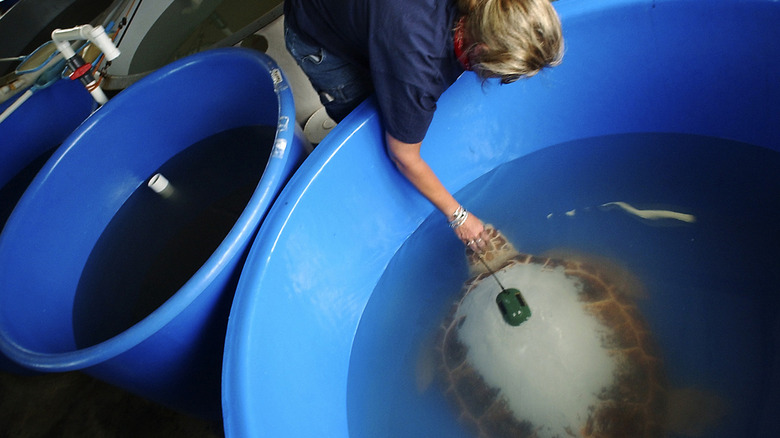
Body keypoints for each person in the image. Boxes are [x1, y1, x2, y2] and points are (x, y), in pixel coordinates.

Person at [284, 0, 564, 253]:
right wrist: (459, 218)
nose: (502, 79)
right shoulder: (418, 70)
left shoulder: (491, 10)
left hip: (380, 18)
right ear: (481, 49)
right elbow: (403, 155)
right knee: (369, 128)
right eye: (505, 76)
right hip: (319, 26)